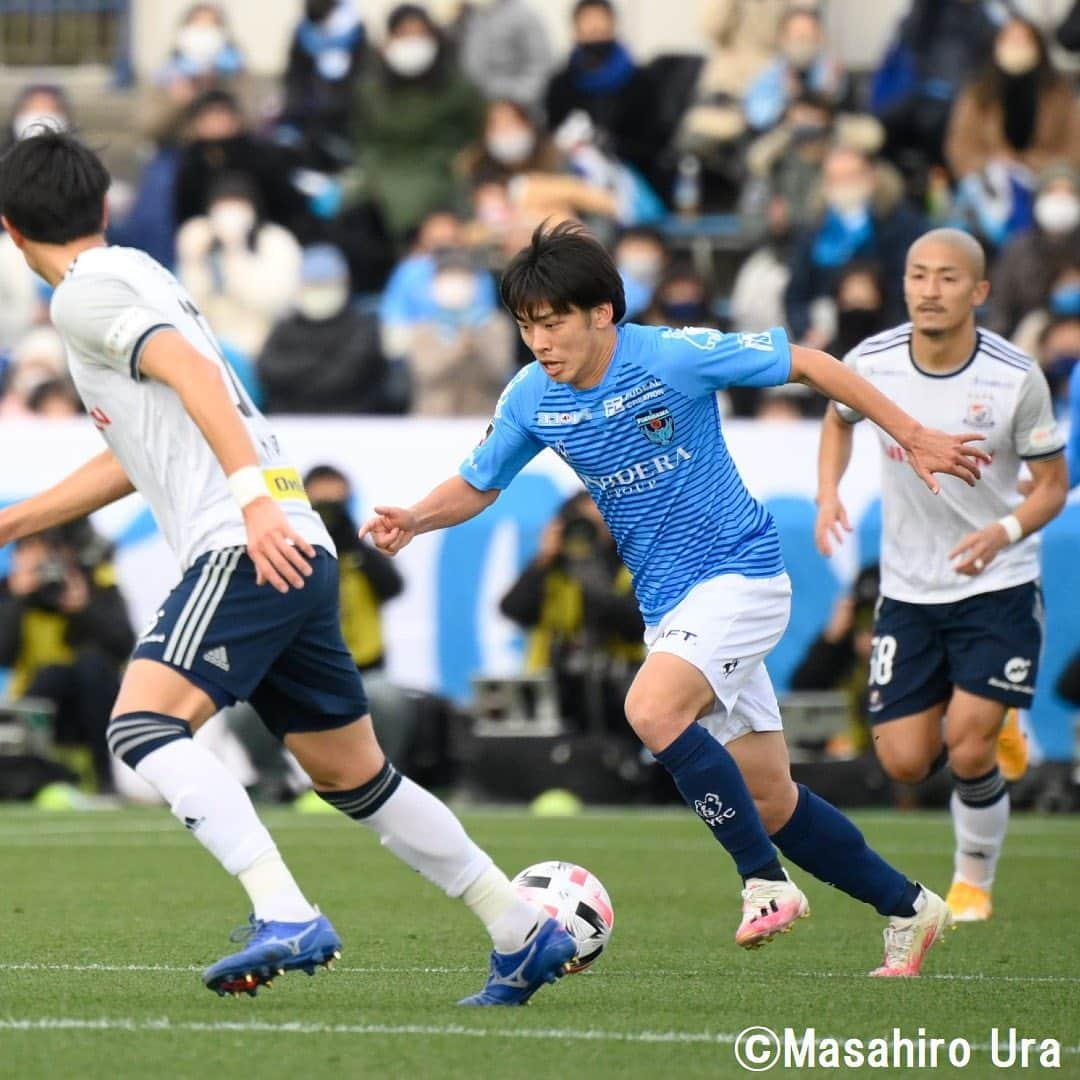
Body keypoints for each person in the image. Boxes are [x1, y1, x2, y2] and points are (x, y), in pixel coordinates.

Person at [0, 131, 574, 1006]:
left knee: (142, 728)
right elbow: (146, 447)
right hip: (290, 546)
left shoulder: (85, 297)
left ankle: (284, 909)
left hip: (246, 542)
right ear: (103, 208)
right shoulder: (136, 274)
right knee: (354, 776)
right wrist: (17, 520)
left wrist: (254, 500)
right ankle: (519, 926)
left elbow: (194, 375)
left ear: (9, 229)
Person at [360, 220, 992, 976]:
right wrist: (415, 518)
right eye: (528, 327)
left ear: (602, 314)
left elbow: (814, 364)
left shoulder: (671, 357)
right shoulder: (533, 397)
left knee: (651, 710)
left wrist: (914, 435)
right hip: (673, 609)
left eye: (554, 323)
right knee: (771, 802)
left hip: (741, 574)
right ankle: (910, 907)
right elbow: (479, 482)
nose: (541, 343)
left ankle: (763, 884)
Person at [815, 228, 1069, 923]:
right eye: (918, 275)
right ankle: (990, 734)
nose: (930, 290)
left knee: (968, 741)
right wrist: (828, 493)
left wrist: (1004, 531)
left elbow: (1051, 485)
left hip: (998, 582)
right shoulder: (870, 360)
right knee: (902, 761)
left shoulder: (1014, 375)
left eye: (948, 278)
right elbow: (838, 418)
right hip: (909, 589)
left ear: (980, 291)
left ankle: (972, 884)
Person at [0, 519, 134, 791]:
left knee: (90, 666)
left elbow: (123, 645)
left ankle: (105, 780)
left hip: (93, 706)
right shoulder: (9, 590)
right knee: (53, 674)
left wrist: (85, 607)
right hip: (33, 705)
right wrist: (16, 597)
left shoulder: (96, 585)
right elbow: (4, 655)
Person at [500, 491, 644, 734]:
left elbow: (637, 625)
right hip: (553, 691)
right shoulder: (554, 566)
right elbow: (514, 609)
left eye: (602, 522)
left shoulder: (632, 566)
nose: (593, 532)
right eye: (584, 523)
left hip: (619, 693)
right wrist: (544, 559)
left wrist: (590, 574)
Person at [257, 245, 392, 415]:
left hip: (351, 421)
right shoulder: (286, 326)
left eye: (326, 284)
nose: (319, 291)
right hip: (291, 422)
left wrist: (298, 370)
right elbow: (267, 369)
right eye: (313, 285)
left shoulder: (362, 326)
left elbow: (346, 377)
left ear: (344, 283)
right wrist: (321, 359)